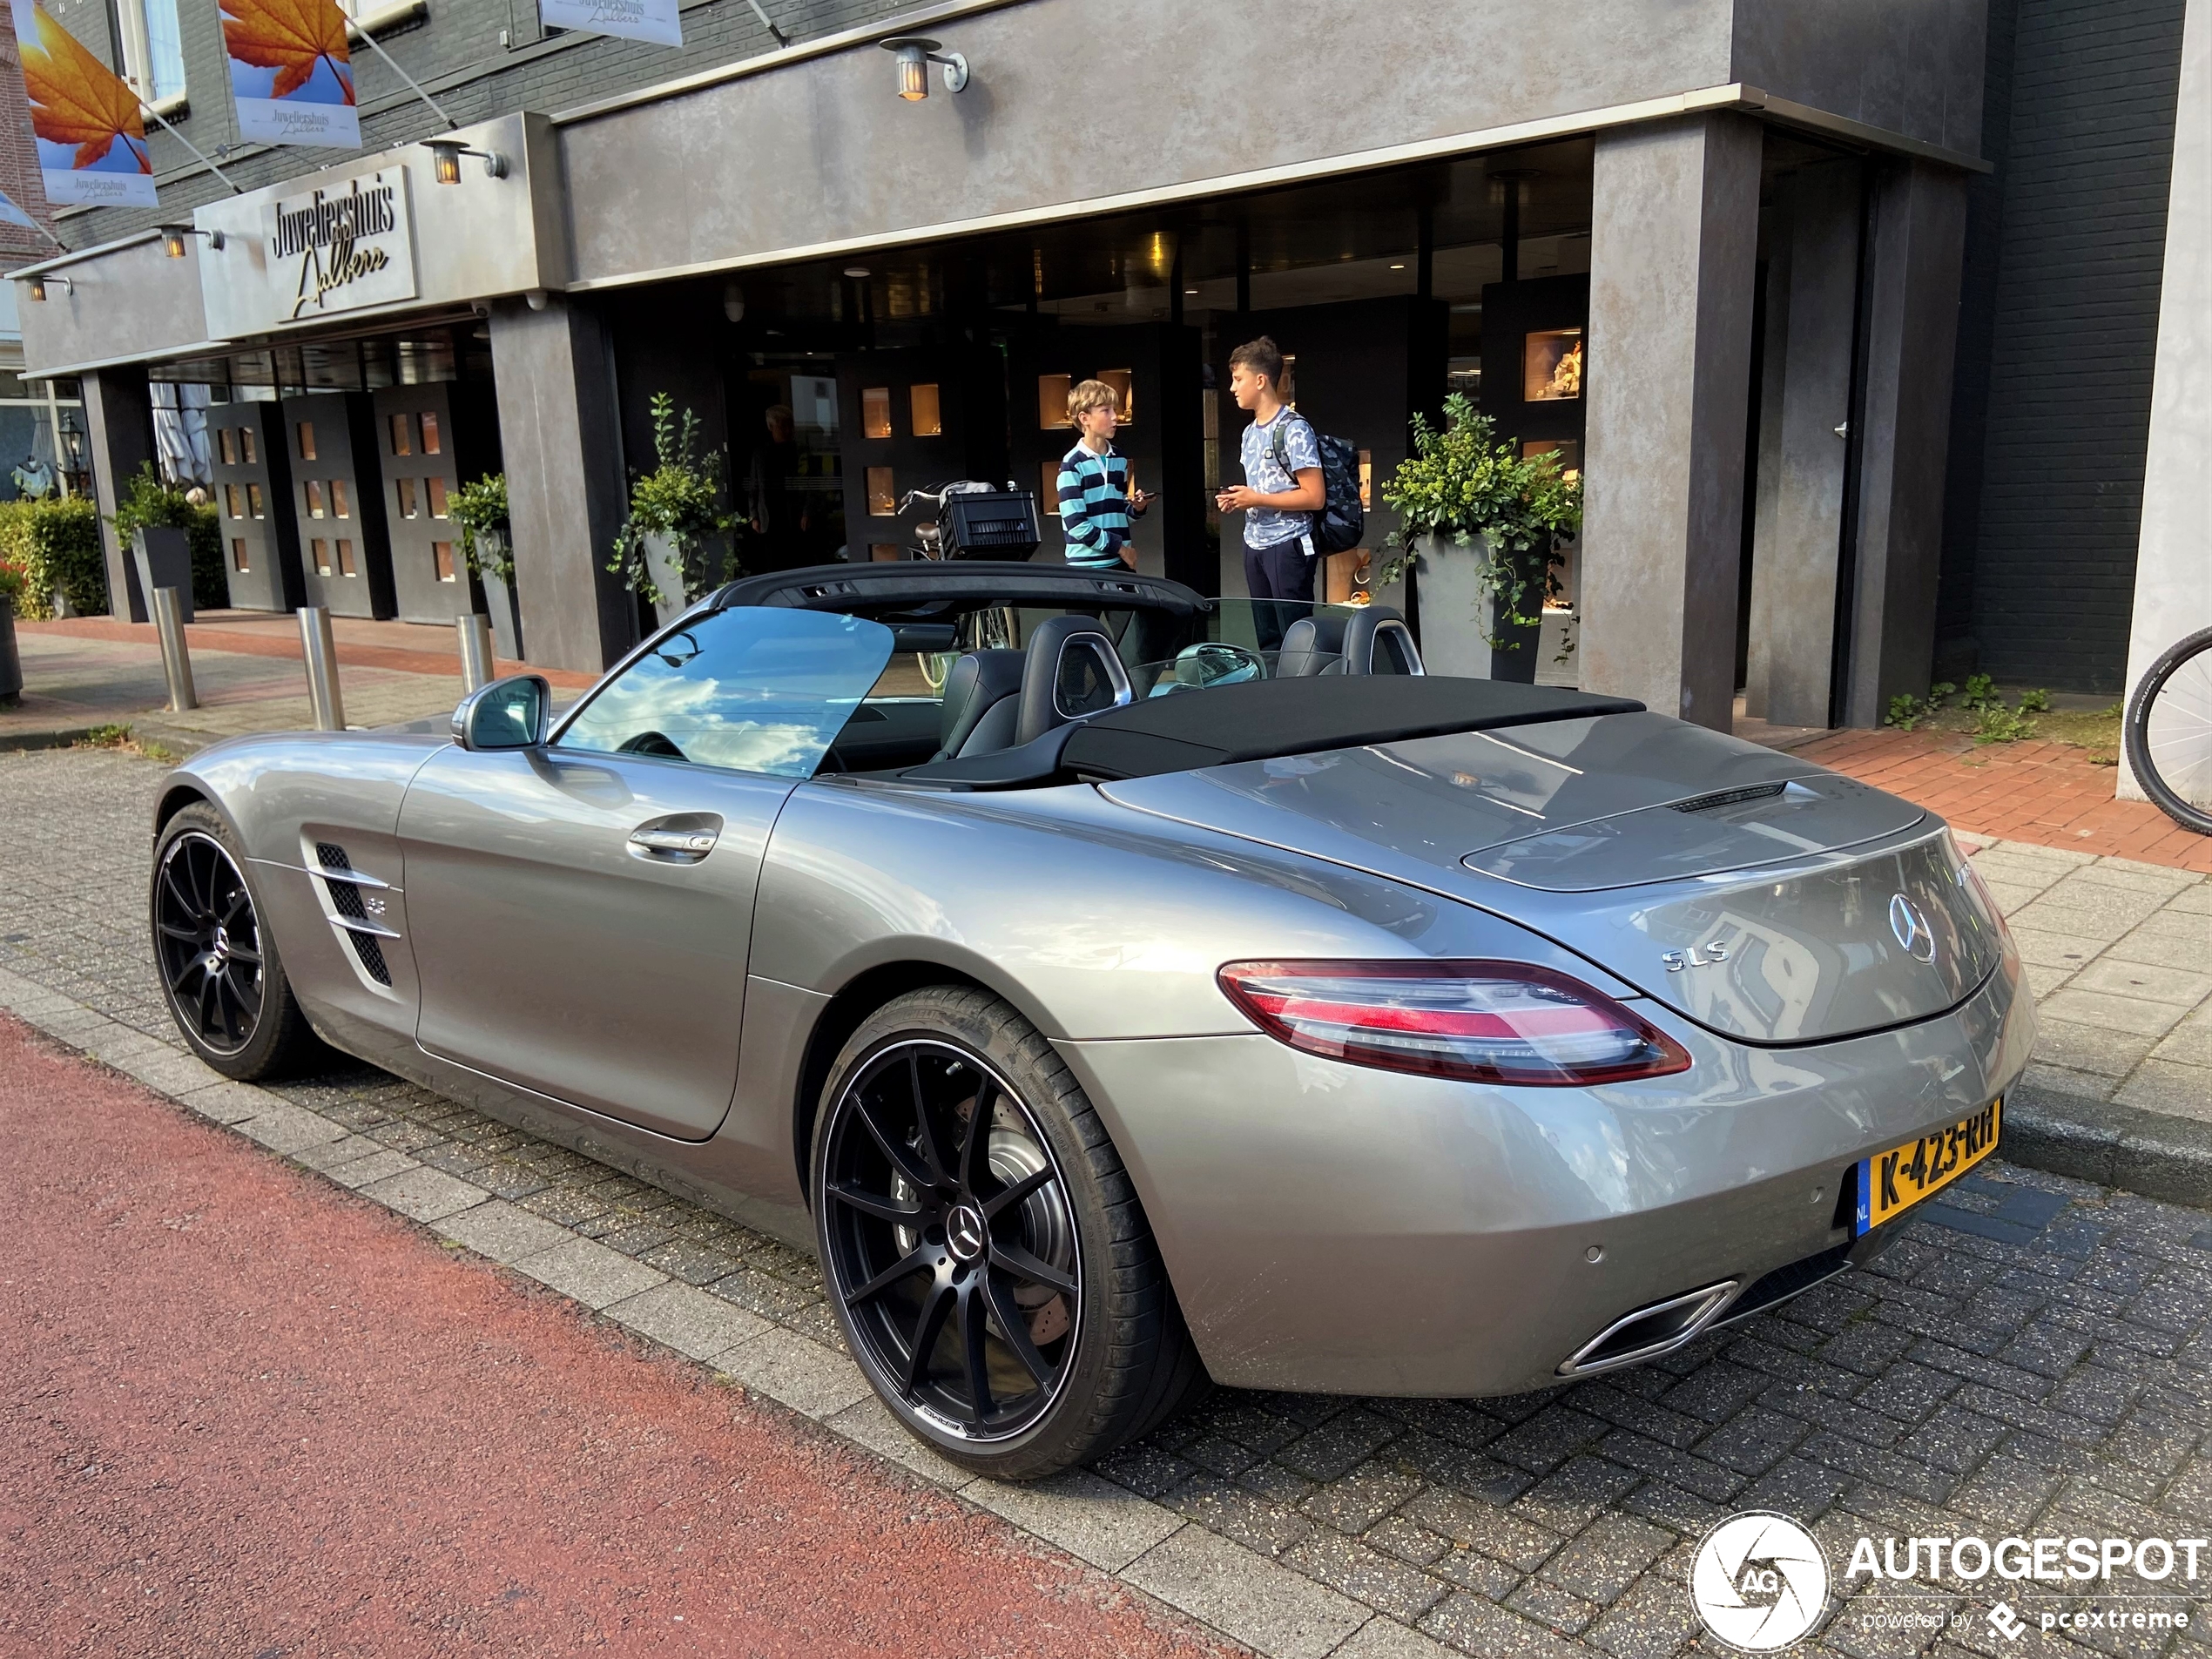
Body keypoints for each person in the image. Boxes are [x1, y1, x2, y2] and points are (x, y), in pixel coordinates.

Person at [1215, 337, 1323, 650]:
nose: (1232, 388)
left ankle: (1302, 696)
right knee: (1268, 639)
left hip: (1288, 544)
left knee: (1297, 636)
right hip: (1254, 544)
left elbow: (1314, 497)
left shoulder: (1294, 428)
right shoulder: (1248, 432)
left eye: (1238, 379)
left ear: (1261, 380)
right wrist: (1239, 499)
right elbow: (1261, 486)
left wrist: (1256, 498)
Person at [1056, 380, 1150, 570]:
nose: (1116, 417)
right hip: (1087, 568)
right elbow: (1076, 524)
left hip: (1121, 563)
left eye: (1114, 410)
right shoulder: (1072, 464)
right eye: (1106, 411)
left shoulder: (1120, 459)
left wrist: (1137, 509)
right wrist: (1120, 548)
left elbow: (1116, 513)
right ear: (1084, 418)